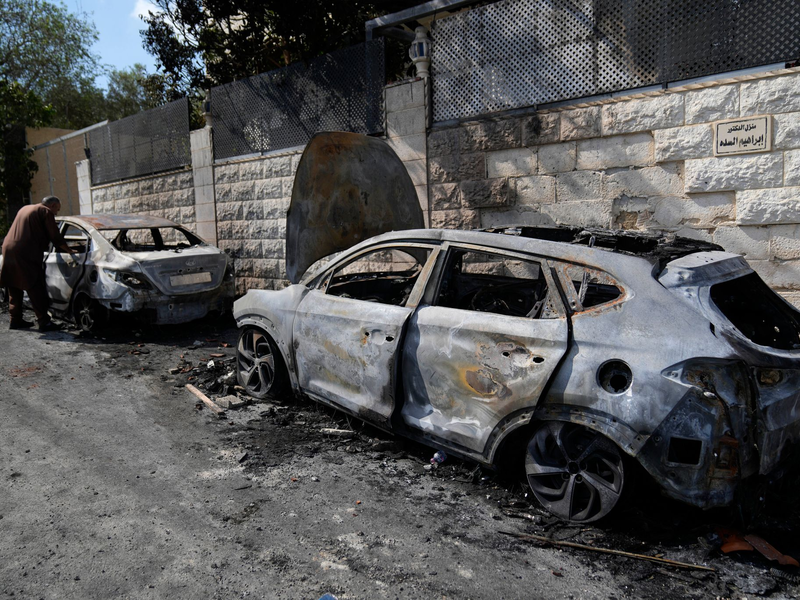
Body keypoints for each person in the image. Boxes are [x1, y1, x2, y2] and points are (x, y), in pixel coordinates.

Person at [0, 196, 76, 331]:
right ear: (52, 205)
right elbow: (55, 235)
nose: (56, 213)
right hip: (24, 251)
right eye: (56, 210)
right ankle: (44, 321)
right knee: (35, 285)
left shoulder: (25, 208)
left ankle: (15, 320)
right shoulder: (45, 211)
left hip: (8, 248)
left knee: (14, 284)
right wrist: (69, 250)